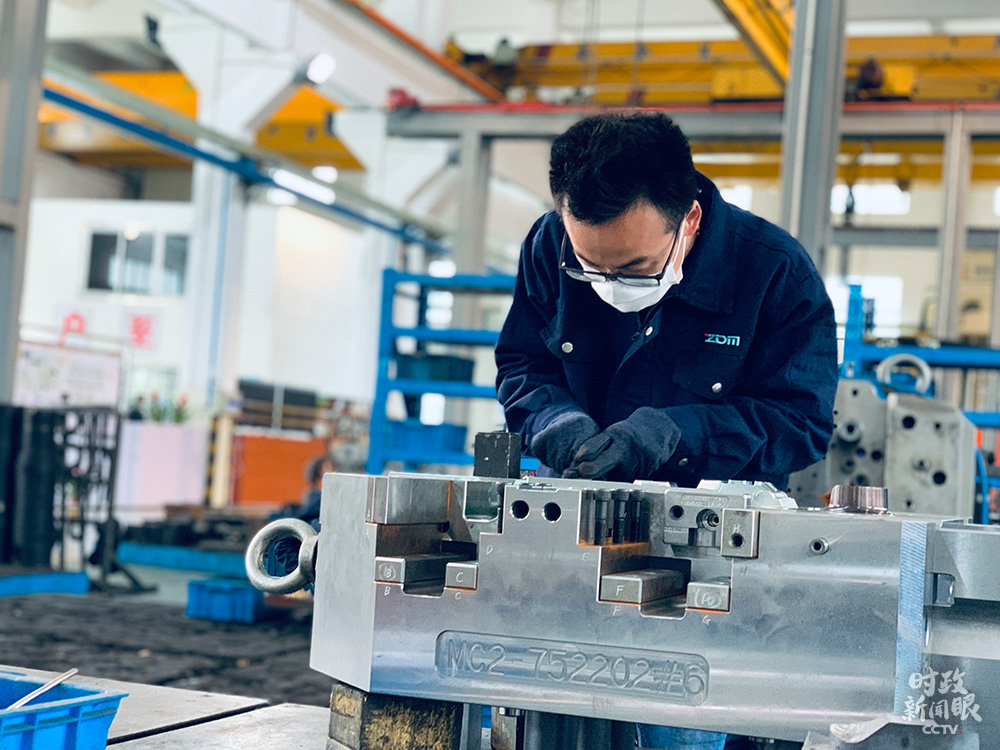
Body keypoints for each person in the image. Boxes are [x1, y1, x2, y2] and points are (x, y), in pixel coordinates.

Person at [494, 112, 837, 750]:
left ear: (690, 221)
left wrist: (673, 434)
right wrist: (559, 426)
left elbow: (802, 423)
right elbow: (524, 365)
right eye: (589, 269)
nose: (609, 287)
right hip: (573, 552)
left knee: (678, 734)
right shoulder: (548, 246)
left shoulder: (774, 273)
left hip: (712, 575)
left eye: (635, 268)